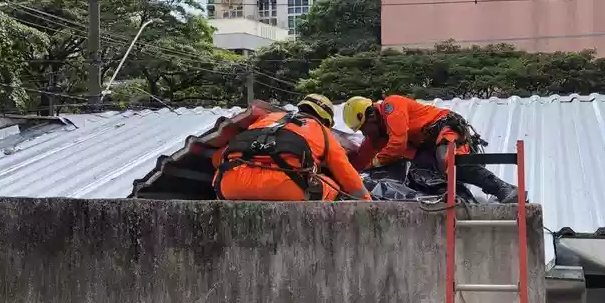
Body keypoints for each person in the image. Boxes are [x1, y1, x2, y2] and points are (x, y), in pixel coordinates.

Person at [342, 95, 520, 203]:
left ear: (371, 115)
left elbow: (397, 144)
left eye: (364, 128)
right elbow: (360, 161)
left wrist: (376, 160)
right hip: (427, 146)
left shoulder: (391, 106)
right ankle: (454, 199)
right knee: (421, 175)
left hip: (444, 127)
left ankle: (503, 188)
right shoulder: (375, 137)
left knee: (447, 160)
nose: (364, 133)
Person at [213, 94, 371, 201]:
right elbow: (347, 175)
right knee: (332, 186)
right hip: (282, 185)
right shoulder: (321, 129)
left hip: (231, 184)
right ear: (326, 120)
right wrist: (368, 202)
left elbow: (218, 157)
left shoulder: (266, 118)